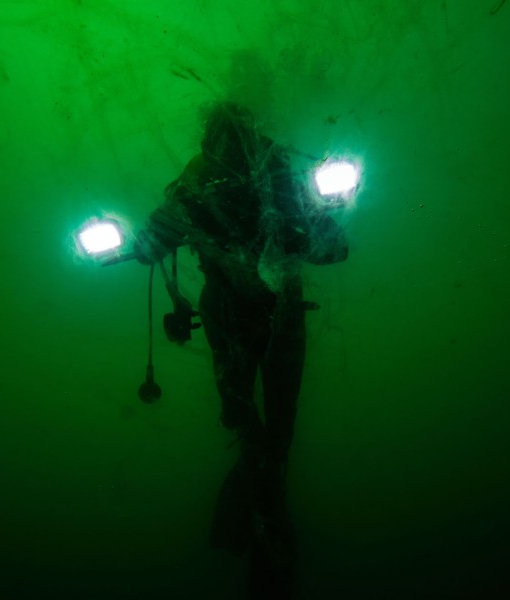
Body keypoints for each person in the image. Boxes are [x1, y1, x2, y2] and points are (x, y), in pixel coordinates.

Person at [131, 101, 348, 598]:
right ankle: (266, 528)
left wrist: (315, 221)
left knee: (264, 428)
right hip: (249, 317)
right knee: (262, 427)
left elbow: (334, 247)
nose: (230, 143)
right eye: (224, 134)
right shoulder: (197, 185)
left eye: (237, 133)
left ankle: (261, 527)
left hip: (260, 318)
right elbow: (150, 243)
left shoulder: (275, 179)